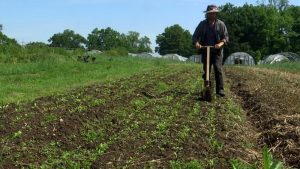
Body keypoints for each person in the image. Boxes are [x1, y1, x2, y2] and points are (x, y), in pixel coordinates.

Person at [192, 4, 229, 97]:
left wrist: (220, 44)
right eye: (210, 13)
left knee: (217, 68)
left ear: (216, 14)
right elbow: (195, 36)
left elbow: (226, 37)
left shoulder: (221, 24)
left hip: (217, 51)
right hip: (205, 50)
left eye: (214, 13)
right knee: (206, 70)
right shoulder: (202, 24)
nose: (212, 15)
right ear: (207, 14)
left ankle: (220, 90)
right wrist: (197, 43)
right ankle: (207, 88)